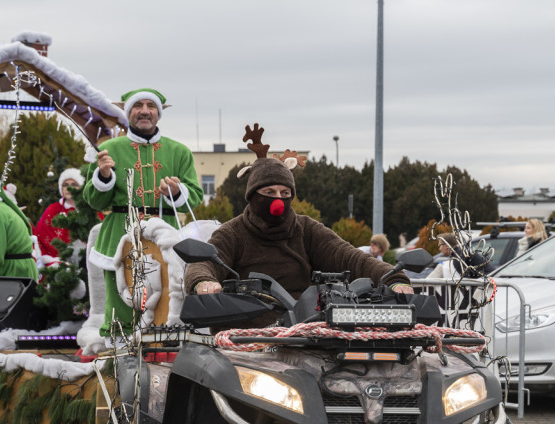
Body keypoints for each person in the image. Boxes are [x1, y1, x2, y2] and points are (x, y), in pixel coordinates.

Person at [184, 157, 412, 328]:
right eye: (269, 191)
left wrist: (393, 278)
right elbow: (205, 260)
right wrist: (202, 280)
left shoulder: (307, 229)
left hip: (304, 332)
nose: (278, 199)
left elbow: (350, 257)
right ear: (253, 195)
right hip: (247, 338)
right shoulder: (232, 233)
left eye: (285, 192)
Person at [84, 88, 203, 335]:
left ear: (158, 113)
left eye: (151, 106)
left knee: (168, 299)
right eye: (138, 106)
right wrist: (103, 176)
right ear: (129, 113)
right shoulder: (109, 150)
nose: (145, 111)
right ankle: (117, 359)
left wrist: (176, 191)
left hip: (165, 234)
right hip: (120, 233)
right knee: (121, 299)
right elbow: (94, 201)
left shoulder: (179, 151)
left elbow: (196, 196)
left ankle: (164, 353)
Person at [35, 168, 82, 263]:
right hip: (55, 263)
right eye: (65, 185)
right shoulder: (53, 209)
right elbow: (40, 236)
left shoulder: (88, 209)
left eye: (74, 184)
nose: (69, 188)